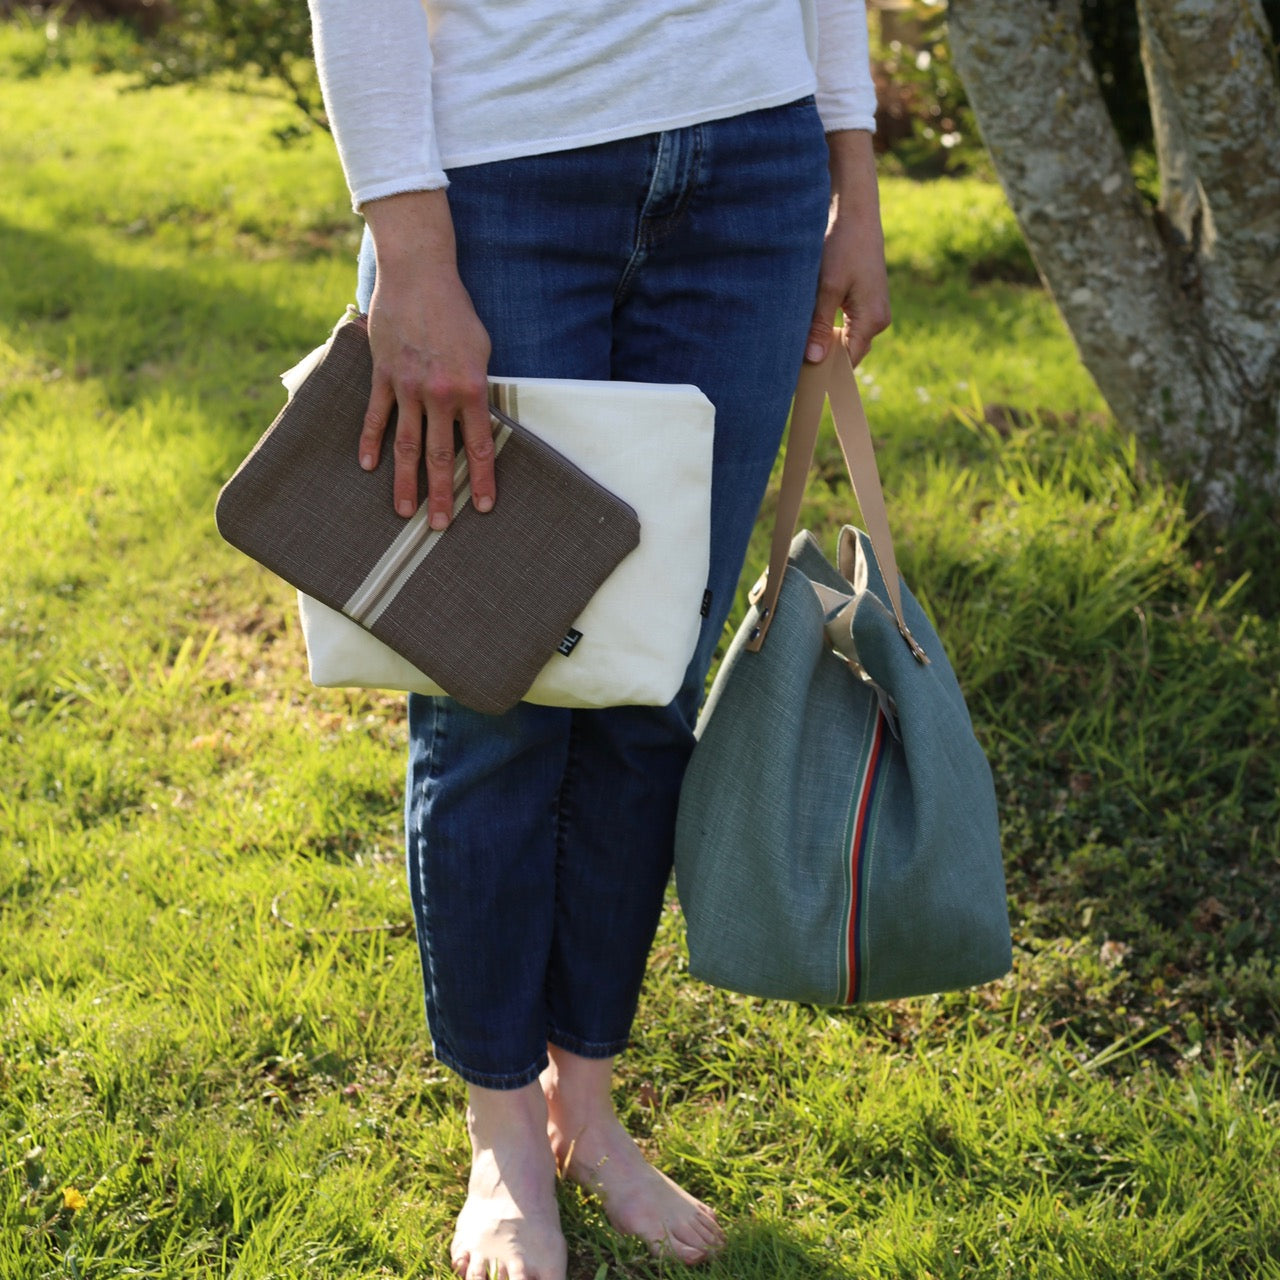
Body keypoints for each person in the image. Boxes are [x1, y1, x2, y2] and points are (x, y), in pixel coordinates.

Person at [306, 2, 890, 1277]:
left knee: (647, 684)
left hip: (753, 172)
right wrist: (409, 250)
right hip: (501, 178)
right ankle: (503, 1132)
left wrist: (851, 172)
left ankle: (592, 1102)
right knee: (490, 683)